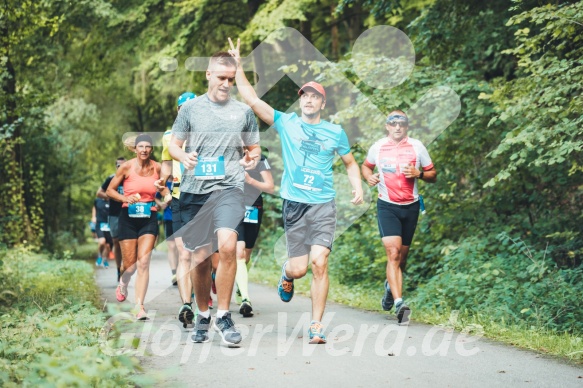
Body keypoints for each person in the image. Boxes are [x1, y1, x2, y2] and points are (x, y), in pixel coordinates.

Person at [228, 38, 363, 344]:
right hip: (295, 205)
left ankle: (316, 324)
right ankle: (287, 274)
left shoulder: (335, 132)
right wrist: (238, 68)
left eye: (315, 96)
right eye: (305, 96)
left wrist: (357, 187)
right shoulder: (286, 122)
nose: (309, 100)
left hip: (324, 205)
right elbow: (251, 99)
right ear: (300, 100)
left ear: (323, 103)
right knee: (300, 268)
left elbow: (351, 163)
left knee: (320, 262)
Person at [168, 52, 260, 346]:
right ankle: (203, 314)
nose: (226, 84)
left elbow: (254, 149)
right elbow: (174, 145)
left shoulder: (243, 112)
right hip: (195, 191)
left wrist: (250, 159)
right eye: (221, 78)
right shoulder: (190, 109)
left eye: (231, 79)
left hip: (230, 189)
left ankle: (223, 314)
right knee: (200, 257)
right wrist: (183, 156)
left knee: (229, 247)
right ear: (208, 74)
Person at [361, 110, 437, 324]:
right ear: (387, 126)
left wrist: (419, 174)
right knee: (393, 253)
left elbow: (433, 174)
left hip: (410, 207)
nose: (397, 127)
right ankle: (399, 304)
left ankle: (389, 288)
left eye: (401, 124)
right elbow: (365, 167)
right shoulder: (378, 147)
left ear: (406, 127)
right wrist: (370, 177)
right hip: (387, 206)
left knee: (402, 259)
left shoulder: (417, 146)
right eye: (393, 123)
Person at [107, 134, 170, 320]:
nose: (144, 150)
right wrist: (125, 198)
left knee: (143, 262)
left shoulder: (157, 167)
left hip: (149, 217)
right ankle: (123, 281)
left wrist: (166, 196)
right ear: (135, 149)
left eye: (147, 147)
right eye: (140, 146)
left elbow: (163, 188)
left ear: (151, 149)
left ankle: (139, 306)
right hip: (128, 217)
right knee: (130, 266)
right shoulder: (126, 167)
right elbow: (110, 190)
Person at [155, 91, 203, 329]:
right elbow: (166, 163)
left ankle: (202, 292)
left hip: (205, 197)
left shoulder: (208, 132)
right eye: (181, 107)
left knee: (203, 256)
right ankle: (186, 303)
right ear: (177, 111)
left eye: (190, 106)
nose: (185, 110)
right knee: (184, 253)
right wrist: (162, 184)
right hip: (179, 198)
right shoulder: (168, 137)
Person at [235, 152, 274, 317]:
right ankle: (246, 298)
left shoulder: (261, 159)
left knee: (246, 256)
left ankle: (239, 287)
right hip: (232, 207)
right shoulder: (228, 154)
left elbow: (270, 187)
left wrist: (250, 180)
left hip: (253, 208)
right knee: (239, 253)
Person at [98, 157, 126, 280]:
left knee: (127, 242)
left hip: (129, 213)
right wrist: (110, 197)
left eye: (123, 165)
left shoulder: (130, 179)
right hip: (114, 214)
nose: (121, 167)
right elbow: (99, 193)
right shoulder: (111, 178)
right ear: (116, 167)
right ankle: (118, 270)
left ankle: (125, 267)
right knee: (116, 242)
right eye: (118, 165)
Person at [94, 197, 112, 267]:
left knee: (107, 246)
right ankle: (99, 257)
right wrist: (93, 217)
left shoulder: (112, 201)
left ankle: (104, 260)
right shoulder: (98, 200)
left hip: (109, 224)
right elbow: (94, 207)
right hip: (100, 224)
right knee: (102, 241)